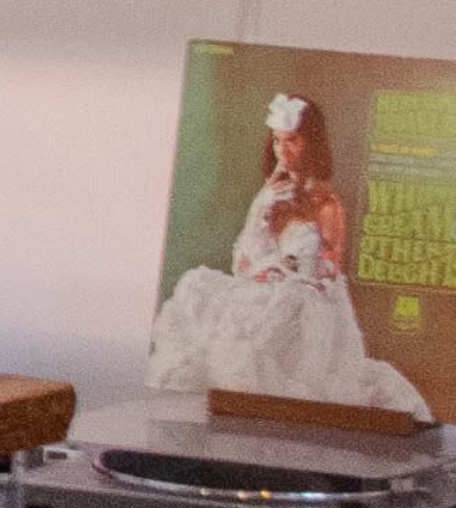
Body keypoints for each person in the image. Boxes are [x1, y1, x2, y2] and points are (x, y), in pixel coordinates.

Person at [143, 92, 432, 416]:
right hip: (265, 289)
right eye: (278, 141)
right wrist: (260, 212)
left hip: (310, 302)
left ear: (311, 143)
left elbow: (328, 270)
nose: (283, 149)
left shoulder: (326, 202)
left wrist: (284, 273)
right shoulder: (271, 192)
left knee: (271, 325)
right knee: (197, 286)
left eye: (292, 140)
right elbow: (242, 262)